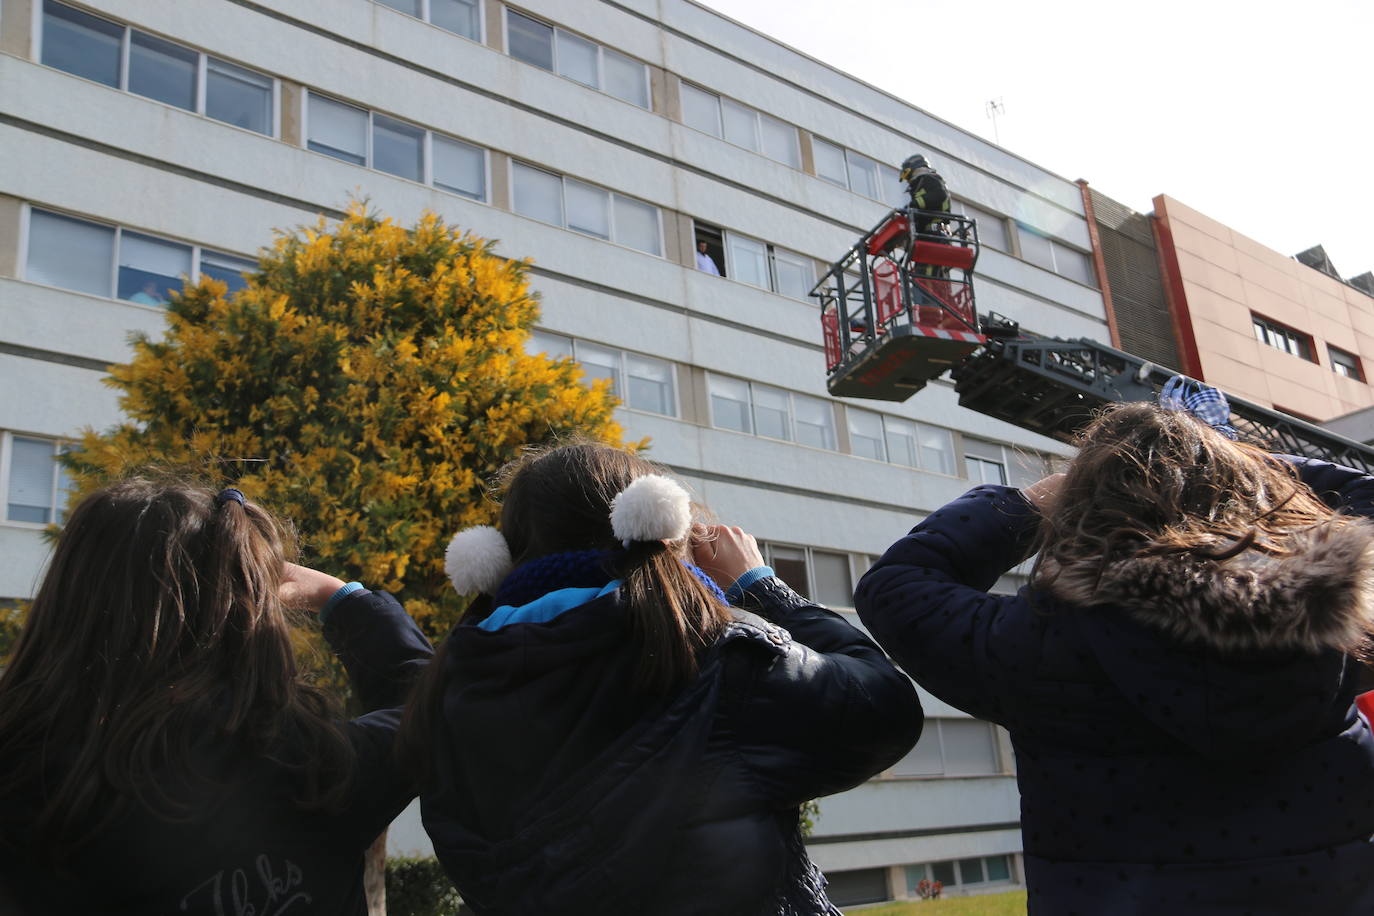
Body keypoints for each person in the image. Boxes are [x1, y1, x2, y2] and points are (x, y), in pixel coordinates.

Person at [854, 399, 1374, 915]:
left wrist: (1032, 501)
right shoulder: (1337, 626)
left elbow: (898, 585)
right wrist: (1224, 457)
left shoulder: (1036, 646)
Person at [400, 442, 921, 915]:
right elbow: (885, 705)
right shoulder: (718, 652)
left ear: (498, 554)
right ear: (658, 522)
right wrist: (761, 588)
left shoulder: (448, 688)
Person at [0, 478, 433, 915]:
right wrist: (341, 598)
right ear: (244, 618)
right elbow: (427, 711)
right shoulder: (313, 767)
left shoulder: (26, 782)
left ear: (69, 605)